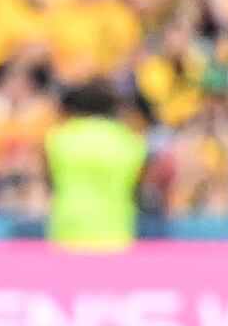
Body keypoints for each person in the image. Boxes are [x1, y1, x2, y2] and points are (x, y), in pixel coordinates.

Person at [44, 72, 150, 253]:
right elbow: (139, 184)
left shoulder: (60, 138)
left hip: (68, 229)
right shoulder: (128, 140)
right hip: (116, 231)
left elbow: (49, 180)